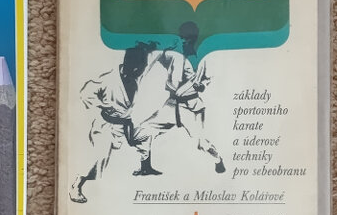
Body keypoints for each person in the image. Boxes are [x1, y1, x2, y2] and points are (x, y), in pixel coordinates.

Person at [128, 22, 226, 175]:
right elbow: (157, 54)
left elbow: (207, 79)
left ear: (194, 39)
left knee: (201, 144)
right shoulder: (173, 53)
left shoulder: (202, 58)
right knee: (144, 130)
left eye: (188, 38)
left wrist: (202, 86)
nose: (184, 41)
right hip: (172, 105)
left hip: (192, 108)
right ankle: (145, 166)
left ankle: (218, 160)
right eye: (182, 37)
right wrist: (149, 46)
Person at [68, 45, 151, 203]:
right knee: (98, 157)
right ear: (135, 67)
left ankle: (146, 167)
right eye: (143, 66)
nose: (144, 69)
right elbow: (85, 93)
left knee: (146, 134)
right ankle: (76, 185)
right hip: (105, 126)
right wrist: (103, 105)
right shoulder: (108, 80)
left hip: (124, 126)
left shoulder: (135, 78)